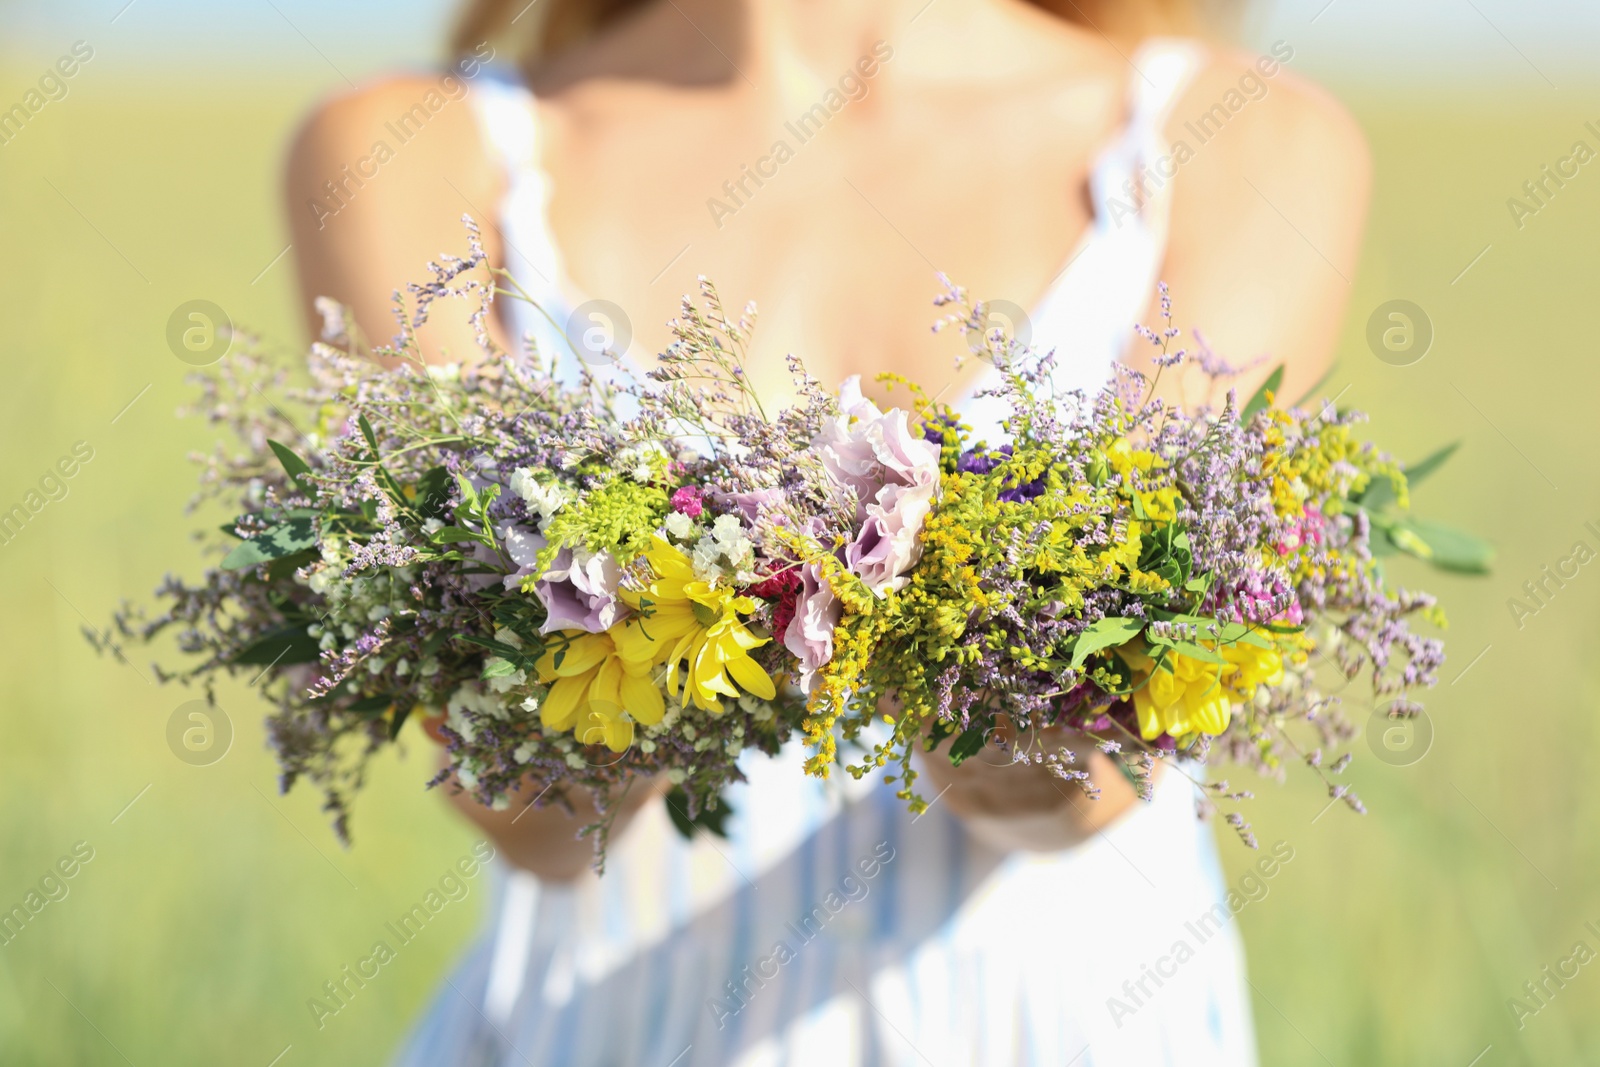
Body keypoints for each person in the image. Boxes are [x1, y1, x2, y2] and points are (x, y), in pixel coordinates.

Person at [285, 0, 1368, 1062]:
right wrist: (573, 730)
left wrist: (1023, 741)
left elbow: (1111, 769)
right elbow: (533, 814)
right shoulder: (418, 155)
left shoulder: (1236, 144)